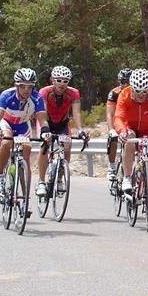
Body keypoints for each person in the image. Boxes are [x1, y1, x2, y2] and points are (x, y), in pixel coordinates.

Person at [0, 68, 51, 199]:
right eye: (23, 86)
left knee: (26, 154)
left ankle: (25, 197)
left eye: (30, 86)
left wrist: (45, 132)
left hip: (23, 125)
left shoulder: (37, 98)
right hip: (7, 123)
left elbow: (42, 120)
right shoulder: (7, 95)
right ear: (16, 85)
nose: (26, 90)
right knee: (6, 143)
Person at [111, 68, 148, 196]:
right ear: (131, 88)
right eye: (137, 91)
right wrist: (122, 131)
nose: (141, 95)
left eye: (144, 91)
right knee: (129, 139)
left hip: (147, 129)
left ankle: (147, 185)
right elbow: (118, 117)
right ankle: (127, 177)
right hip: (129, 127)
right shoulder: (125, 94)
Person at [36, 65, 84, 198]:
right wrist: (45, 131)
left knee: (67, 147)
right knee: (45, 145)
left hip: (62, 124)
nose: (62, 84)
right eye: (58, 80)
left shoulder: (73, 93)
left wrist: (80, 129)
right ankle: (41, 182)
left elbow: (76, 113)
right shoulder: (44, 92)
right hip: (46, 122)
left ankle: (60, 179)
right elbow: (42, 113)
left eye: (65, 81)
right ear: (52, 80)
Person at [105, 68, 131, 184]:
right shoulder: (114, 93)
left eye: (128, 82)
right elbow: (110, 114)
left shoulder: (137, 92)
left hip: (130, 121)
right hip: (117, 120)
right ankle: (112, 166)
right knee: (113, 139)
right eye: (123, 82)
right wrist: (111, 130)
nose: (125, 85)